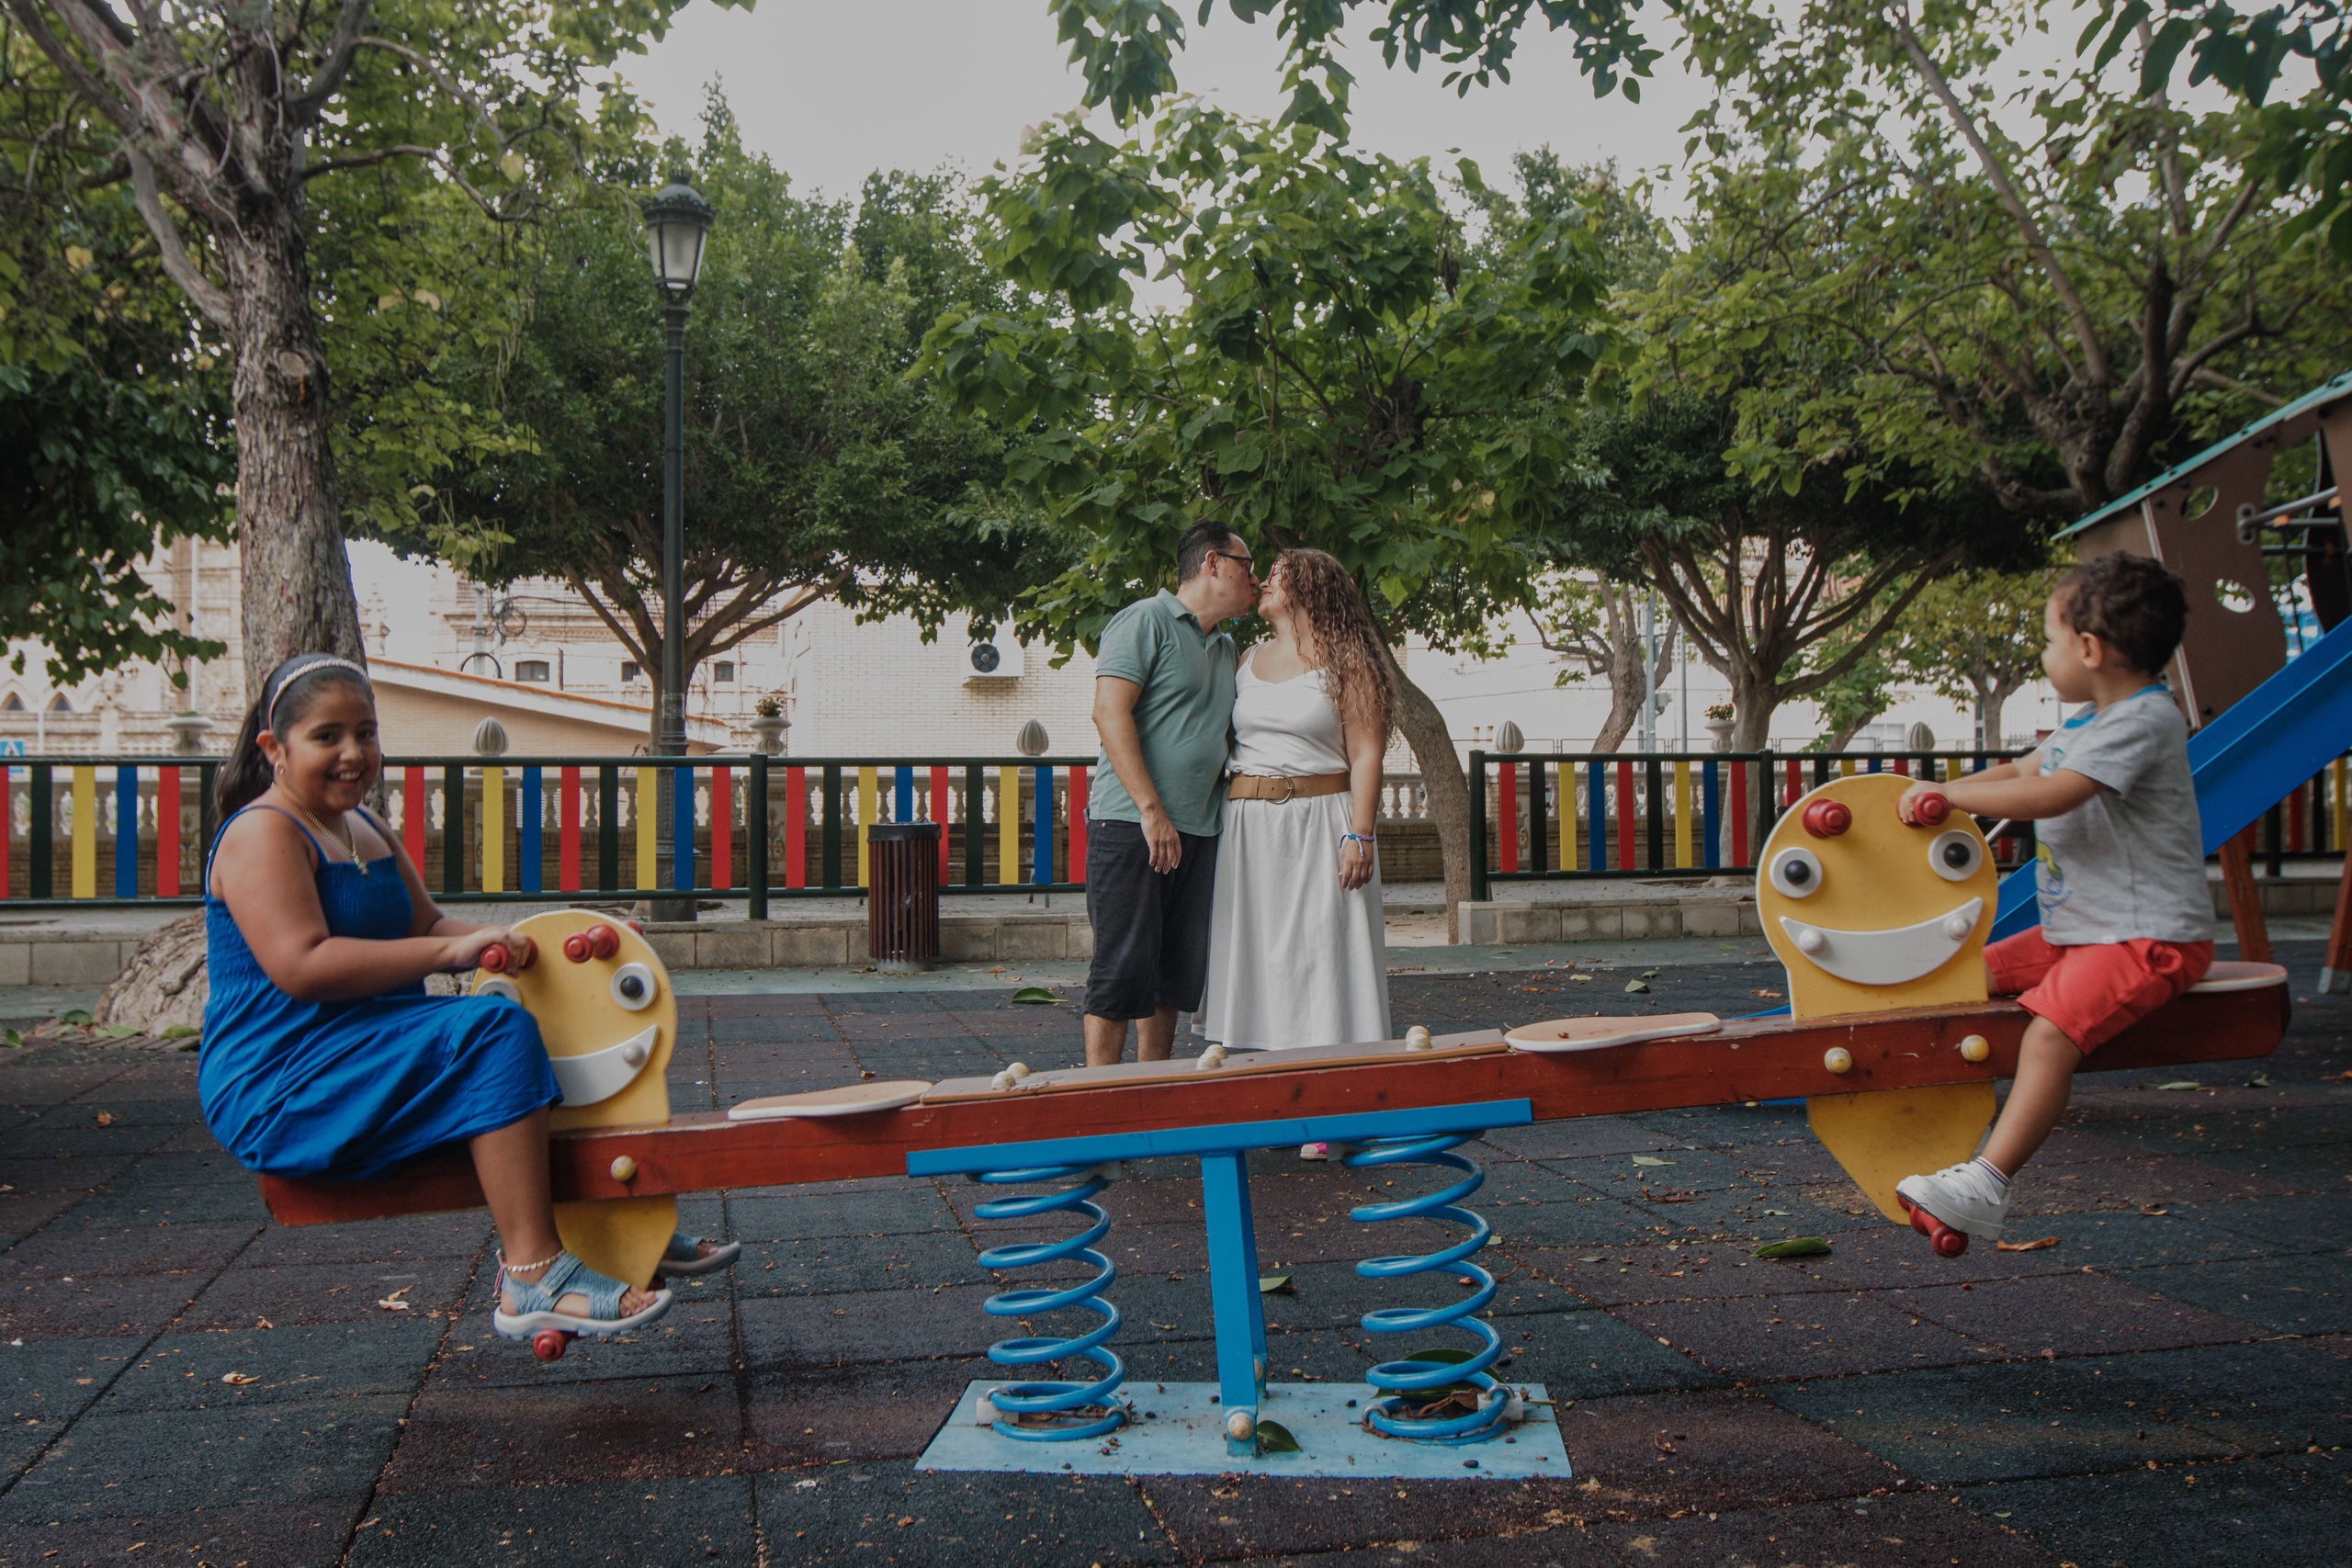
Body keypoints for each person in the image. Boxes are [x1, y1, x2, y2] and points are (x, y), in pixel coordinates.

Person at [201, 654, 737, 1347]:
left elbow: (427, 927)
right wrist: (454, 953)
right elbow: (303, 965)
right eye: (327, 736)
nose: (353, 753)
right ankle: (534, 1274)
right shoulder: (262, 832)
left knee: (537, 1013)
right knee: (493, 1032)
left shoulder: (364, 826)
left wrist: (528, 944)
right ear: (275, 748)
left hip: (359, 1046)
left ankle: (610, 1222)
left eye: (365, 732)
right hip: (283, 1077)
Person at [1893, 554, 2211, 1242]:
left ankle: (1987, 1181)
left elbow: (2053, 792)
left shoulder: (2143, 721)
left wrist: (1953, 798)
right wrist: (1949, 794)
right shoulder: (2086, 723)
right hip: (2086, 931)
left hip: (2148, 936)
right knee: (1960, 972)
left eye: (2047, 641)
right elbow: (2019, 769)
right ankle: (1923, 1107)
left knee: (2050, 1034)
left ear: (2089, 649)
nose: (2043, 655)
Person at [1199, 547, 1393, 1066]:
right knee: (1259, 958)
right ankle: (1267, 1084)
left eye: (1278, 576)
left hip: (1323, 822)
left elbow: (1367, 752)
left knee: (1323, 957)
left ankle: (1330, 1097)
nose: (1262, 581)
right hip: (1247, 828)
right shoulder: (1244, 659)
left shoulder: (1349, 660)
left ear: (1309, 588)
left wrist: (1361, 833)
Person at [1083, 522, 1257, 1067]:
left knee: (1174, 977)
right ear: (1213, 563)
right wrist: (1151, 810)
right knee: (1121, 970)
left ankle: (1153, 1095)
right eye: (1246, 566)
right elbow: (1108, 713)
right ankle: (1098, 1112)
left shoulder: (1228, 649)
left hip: (1200, 831)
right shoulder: (1145, 620)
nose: (1254, 579)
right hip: (1132, 825)